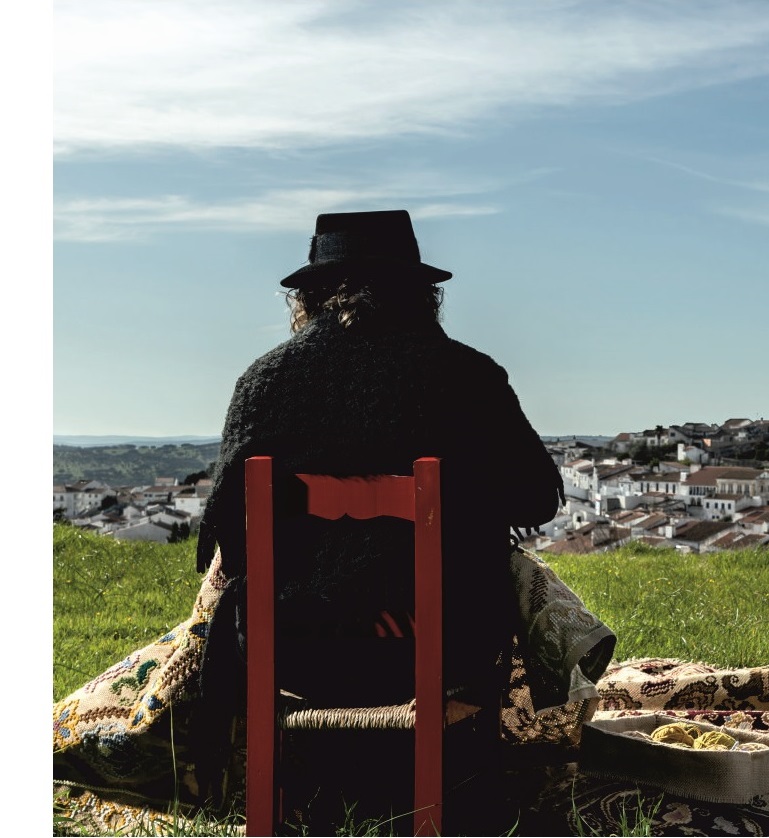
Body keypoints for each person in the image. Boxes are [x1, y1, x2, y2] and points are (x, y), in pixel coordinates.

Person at [190, 209, 564, 828]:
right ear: (424, 293)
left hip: (289, 646)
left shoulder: (263, 382)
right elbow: (536, 499)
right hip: (447, 642)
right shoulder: (470, 375)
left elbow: (228, 531)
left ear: (307, 297)